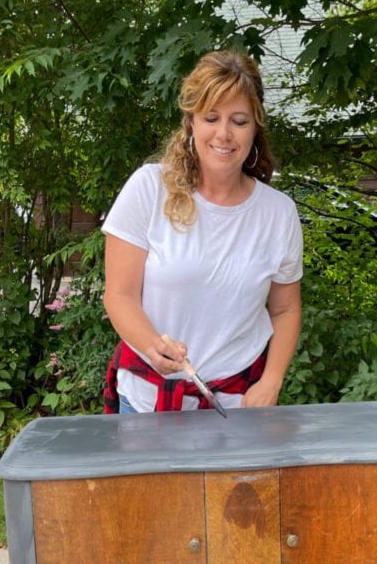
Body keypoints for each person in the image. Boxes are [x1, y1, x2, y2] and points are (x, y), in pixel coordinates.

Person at [102, 49, 303, 415]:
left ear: (255, 127)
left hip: (239, 407)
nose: (224, 134)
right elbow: (119, 295)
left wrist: (271, 381)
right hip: (147, 405)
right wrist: (151, 346)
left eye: (239, 121)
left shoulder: (278, 213)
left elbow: (286, 308)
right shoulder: (148, 188)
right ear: (191, 121)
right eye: (211, 118)